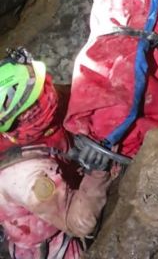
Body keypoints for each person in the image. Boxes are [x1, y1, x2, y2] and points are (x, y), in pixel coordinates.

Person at [0, 48, 109, 259]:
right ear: (25, 115)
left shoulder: (38, 109)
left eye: (45, 88)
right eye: (40, 99)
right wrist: (97, 174)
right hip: (49, 241)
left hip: (61, 170)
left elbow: (68, 96)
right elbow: (79, 223)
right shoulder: (25, 177)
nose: (50, 95)